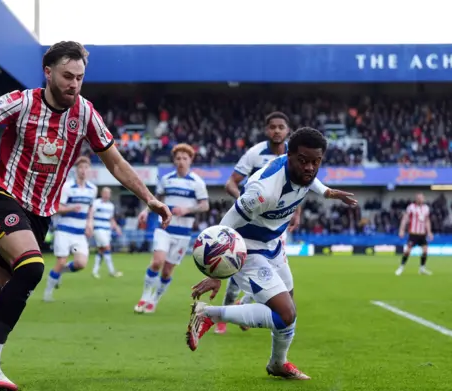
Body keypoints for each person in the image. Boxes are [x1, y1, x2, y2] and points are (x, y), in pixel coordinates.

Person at [0, 41, 171, 391]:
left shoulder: (85, 113)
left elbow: (116, 162)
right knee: (32, 267)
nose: (74, 84)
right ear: (48, 72)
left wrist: (150, 198)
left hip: (40, 214)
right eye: (67, 76)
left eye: (80, 77)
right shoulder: (22, 102)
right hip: (3, 199)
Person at [185, 127, 356, 380]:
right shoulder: (262, 191)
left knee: (288, 304)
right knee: (286, 314)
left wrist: (328, 192)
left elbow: (311, 179)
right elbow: (223, 228)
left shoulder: (303, 171)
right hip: (247, 248)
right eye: (304, 161)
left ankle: (278, 363)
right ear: (289, 156)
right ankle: (206, 313)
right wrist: (216, 274)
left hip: (274, 243)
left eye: (316, 161)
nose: (310, 167)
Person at [216, 112, 303, 334]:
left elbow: (299, 187)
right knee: (237, 275)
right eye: (272, 127)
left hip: (276, 226)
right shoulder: (254, 154)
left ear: (287, 131)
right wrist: (245, 206)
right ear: (267, 130)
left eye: (281, 127)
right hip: (250, 227)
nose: (276, 131)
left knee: (271, 275)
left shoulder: (293, 155)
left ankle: (242, 309)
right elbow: (231, 183)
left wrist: (296, 212)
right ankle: (224, 314)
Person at [134, 143, 209, 314]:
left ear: (191, 160)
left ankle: (154, 299)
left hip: (183, 233)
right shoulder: (166, 180)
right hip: (165, 228)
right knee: (157, 262)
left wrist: (187, 210)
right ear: (174, 161)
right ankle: (144, 297)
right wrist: (146, 211)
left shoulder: (197, 183)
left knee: (167, 272)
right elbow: (156, 200)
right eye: (178, 158)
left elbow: (205, 206)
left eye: (185, 158)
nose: (181, 161)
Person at [42, 156, 97, 302]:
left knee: (81, 264)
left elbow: (90, 208)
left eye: (86, 168)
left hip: (80, 233)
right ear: (76, 170)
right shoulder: (67, 187)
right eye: (81, 168)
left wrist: (90, 223)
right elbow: (56, 208)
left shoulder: (92, 189)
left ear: (89, 170)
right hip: (64, 230)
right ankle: (48, 293)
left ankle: (59, 273)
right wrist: (70, 208)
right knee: (61, 260)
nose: (83, 171)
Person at [396, 193, 433, 276]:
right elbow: (405, 219)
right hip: (413, 234)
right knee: (407, 251)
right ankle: (401, 267)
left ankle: (422, 268)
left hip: (422, 234)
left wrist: (429, 232)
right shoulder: (411, 207)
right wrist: (401, 230)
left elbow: (427, 221)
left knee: (425, 251)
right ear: (416, 199)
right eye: (418, 198)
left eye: (421, 198)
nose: (420, 199)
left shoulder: (426, 208)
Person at [90, 186, 123, 278]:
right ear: (102, 193)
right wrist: (90, 226)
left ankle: (95, 271)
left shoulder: (111, 206)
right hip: (98, 229)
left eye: (109, 193)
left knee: (101, 250)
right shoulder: (96, 203)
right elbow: (91, 215)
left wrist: (117, 228)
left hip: (107, 230)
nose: (107, 195)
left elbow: (111, 218)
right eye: (105, 193)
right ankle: (112, 271)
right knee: (107, 248)